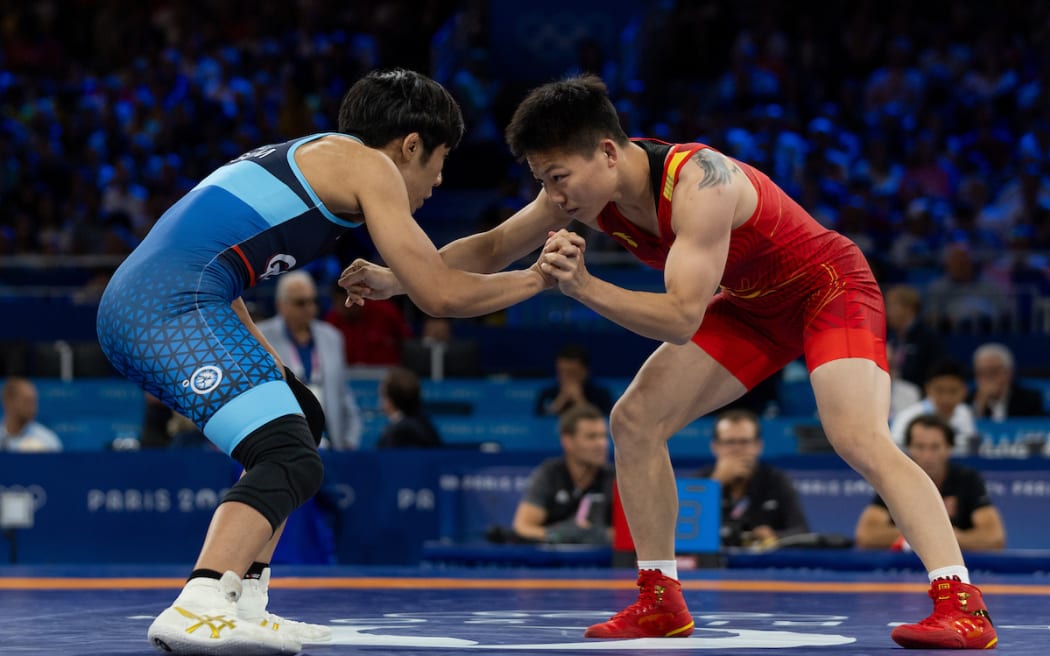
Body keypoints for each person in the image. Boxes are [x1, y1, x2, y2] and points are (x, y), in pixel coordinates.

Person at [341, 74, 997, 649]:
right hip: (749, 304)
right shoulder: (578, 190)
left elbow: (682, 316)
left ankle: (962, 605)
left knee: (856, 434)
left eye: (557, 179)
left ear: (604, 151)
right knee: (635, 420)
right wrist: (401, 278)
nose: (553, 197)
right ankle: (660, 600)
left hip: (828, 288)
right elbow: (491, 247)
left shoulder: (700, 183)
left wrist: (582, 286)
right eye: (542, 181)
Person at [96, 68, 552, 656]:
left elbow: (215, 264)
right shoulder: (370, 165)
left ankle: (243, 599)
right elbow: (440, 295)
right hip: (164, 306)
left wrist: (275, 373)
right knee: (284, 452)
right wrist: (538, 280)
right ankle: (200, 601)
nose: (439, 181)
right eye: (440, 161)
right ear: (410, 144)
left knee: (300, 416)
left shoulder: (314, 158)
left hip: (166, 297)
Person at [855, 414, 1006, 552]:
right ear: (909, 448)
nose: (927, 456)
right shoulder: (896, 480)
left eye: (935, 447)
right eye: (920, 447)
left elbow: (994, 538)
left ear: (949, 448)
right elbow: (866, 536)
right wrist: (930, 533)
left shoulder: (967, 479)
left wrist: (948, 538)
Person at [258, 271, 363, 450]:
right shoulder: (261, 336)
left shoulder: (332, 337)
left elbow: (342, 393)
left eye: (313, 301)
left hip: (331, 443)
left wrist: (350, 440)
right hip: (284, 444)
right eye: (301, 303)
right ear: (281, 305)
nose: (309, 308)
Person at [694, 408, 809, 548]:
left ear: (758, 446)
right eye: (729, 442)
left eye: (744, 442)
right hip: (712, 564)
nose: (737, 449)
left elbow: (802, 531)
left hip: (762, 564)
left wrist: (775, 536)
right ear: (715, 447)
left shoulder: (776, 480)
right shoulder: (700, 482)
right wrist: (715, 483)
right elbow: (683, 533)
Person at [510, 403, 615, 544]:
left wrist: (598, 535)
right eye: (591, 437)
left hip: (605, 563)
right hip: (552, 562)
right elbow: (523, 527)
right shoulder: (550, 474)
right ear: (568, 441)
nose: (602, 444)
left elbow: (633, 535)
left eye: (604, 436)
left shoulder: (615, 477)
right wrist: (559, 535)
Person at [891, 359, 977, 455]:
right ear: (928, 389)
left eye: (953, 391)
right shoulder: (907, 417)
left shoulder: (965, 413)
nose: (946, 398)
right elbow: (895, 453)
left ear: (964, 390)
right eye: (939, 390)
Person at [323, 282, 411, 366]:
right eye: (340, 303)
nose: (347, 307)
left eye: (351, 301)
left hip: (387, 374)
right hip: (345, 376)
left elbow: (406, 342)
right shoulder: (331, 322)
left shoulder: (385, 312)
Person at [884, 284, 947, 388]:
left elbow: (935, 374)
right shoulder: (891, 338)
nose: (887, 312)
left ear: (909, 308)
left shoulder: (928, 338)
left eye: (891, 306)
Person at [969, 342, 1045, 420]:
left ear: (1009, 372)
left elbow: (1038, 428)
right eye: (981, 372)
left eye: (993, 371)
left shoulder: (1029, 400)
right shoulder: (968, 400)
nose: (987, 377)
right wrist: (979, 405)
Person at [533, 344, 614, 416]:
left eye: (571, 373)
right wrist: (559, 402)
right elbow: (538, 422)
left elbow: (603, 423)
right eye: (561, 372)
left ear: (585, 371)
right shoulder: (547, 393)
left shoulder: (601, 394)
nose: (565, 377)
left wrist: (579, 400)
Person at [375, 366, 442, 448]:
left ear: (390, 401)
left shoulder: (399, 433)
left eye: (382, 395)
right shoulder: (424, 423)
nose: (380, 401)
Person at [0, 377, 62, 453]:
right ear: (8, 401)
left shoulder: (47, 441)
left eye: (34, 402)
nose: (33, 408)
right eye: (27, 401)